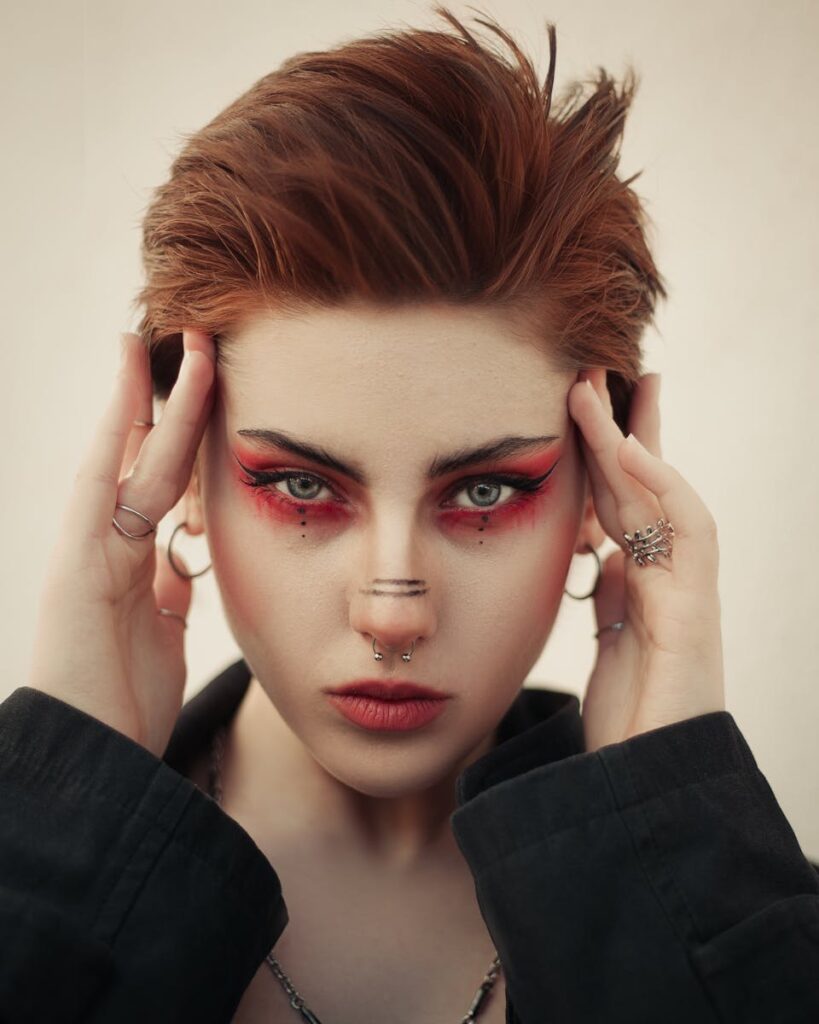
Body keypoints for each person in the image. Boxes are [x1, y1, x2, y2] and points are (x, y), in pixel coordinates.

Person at [2, 5, 817, 1023]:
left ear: (606, 493)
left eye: (484, 491)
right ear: (183, 474)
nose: (392, 614)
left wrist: (673, 842)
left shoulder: (757, 937)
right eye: (302, 485)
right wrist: (67, 803)